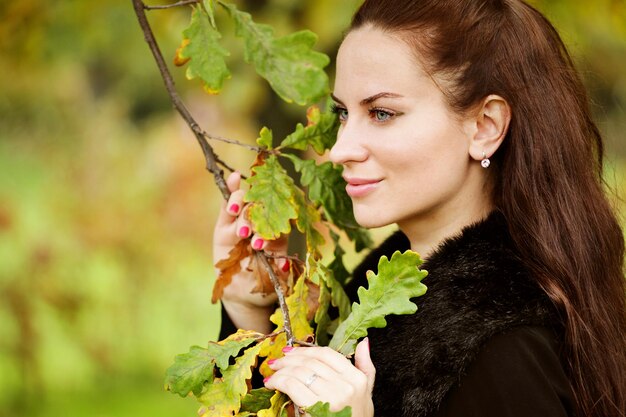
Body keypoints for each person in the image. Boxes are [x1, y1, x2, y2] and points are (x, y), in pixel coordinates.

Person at [213, 0, 626, 416]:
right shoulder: (385, 295)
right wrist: (249, 311)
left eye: (382, 113)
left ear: (485, 127)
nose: (340, 149)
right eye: (342, 112)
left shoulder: (501, 349)